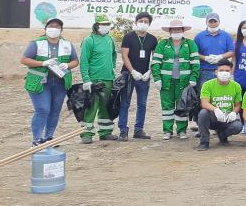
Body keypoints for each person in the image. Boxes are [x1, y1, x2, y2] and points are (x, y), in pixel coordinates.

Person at [21, 18, 79, 146]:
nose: (54, 28)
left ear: (61, 30)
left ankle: (49, 137)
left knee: (55, 111)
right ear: (45, 29)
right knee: (42, 109)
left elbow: (75, 61)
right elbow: (24, 60)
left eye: (57, 26)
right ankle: (37, 139)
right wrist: (43, 63)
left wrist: (67, 65)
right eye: (51, 26)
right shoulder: (36, 43)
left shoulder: (67, 44)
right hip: (39, 82)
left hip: (60, 83)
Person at [151, 19, 200, 140]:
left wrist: (193, 77)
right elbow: (156, 62)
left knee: (182, 106)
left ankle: (181, 131)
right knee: (167, 107)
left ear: (183, 31)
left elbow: (195, 63)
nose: (176, 31)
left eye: (179, 29)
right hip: (166, 81)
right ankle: (167, 131)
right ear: (170, 31)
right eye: (174, 30)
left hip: (184, 82)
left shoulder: (190, 44)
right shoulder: (162, 44)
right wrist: (157, 78)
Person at [117, 12, 158, 141]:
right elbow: (124, 55)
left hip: (144, 76)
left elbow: (155, 57)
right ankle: (123, 130)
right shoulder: (128, 37)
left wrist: (150, 71)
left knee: (142, 104)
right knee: (125, 103)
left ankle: (138, 129)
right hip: (128, 75)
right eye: (141, 21)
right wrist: (132, 71)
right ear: (136, 22)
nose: (143, 23)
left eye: (146, 21)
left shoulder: (152, 39)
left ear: (149, 24)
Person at [78, 14, 118, 143]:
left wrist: (112, 67)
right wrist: (86, 79)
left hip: (108, 79)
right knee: (91, 107)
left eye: (108, 24)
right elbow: (84, 62)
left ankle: (105, 132)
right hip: (94, 79)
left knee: (106, 107)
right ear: (96, 25)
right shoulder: (89, 40)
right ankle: (87, 134)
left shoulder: (110, 39)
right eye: (103, 24)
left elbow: (114, 55)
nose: (106, 26)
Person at [196, 59, 243, 150]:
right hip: (213, 117)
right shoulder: (208, 85)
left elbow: (238, 105)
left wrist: (234, 112)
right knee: (203, 113)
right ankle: (204, 142)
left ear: (231, 72)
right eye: (221, 70)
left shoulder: (236, 86)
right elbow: (204, 103)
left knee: (238, 126)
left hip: (227, 118)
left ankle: (222, 135)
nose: (224, 73)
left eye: (227, 71)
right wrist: (216, 110)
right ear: (216, 72)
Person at [194, 12, 235, 87]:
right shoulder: (199, 37)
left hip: (222, 71)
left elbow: (232, 51)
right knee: (204, 93)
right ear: (206, 22)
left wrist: (221, 57)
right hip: (204, 71)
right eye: (210, 21)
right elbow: (194, 53)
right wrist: (205, 58)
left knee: (221, 92)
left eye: (215, 21)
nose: (213, 24)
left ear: (219, 22)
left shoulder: (226, 36)